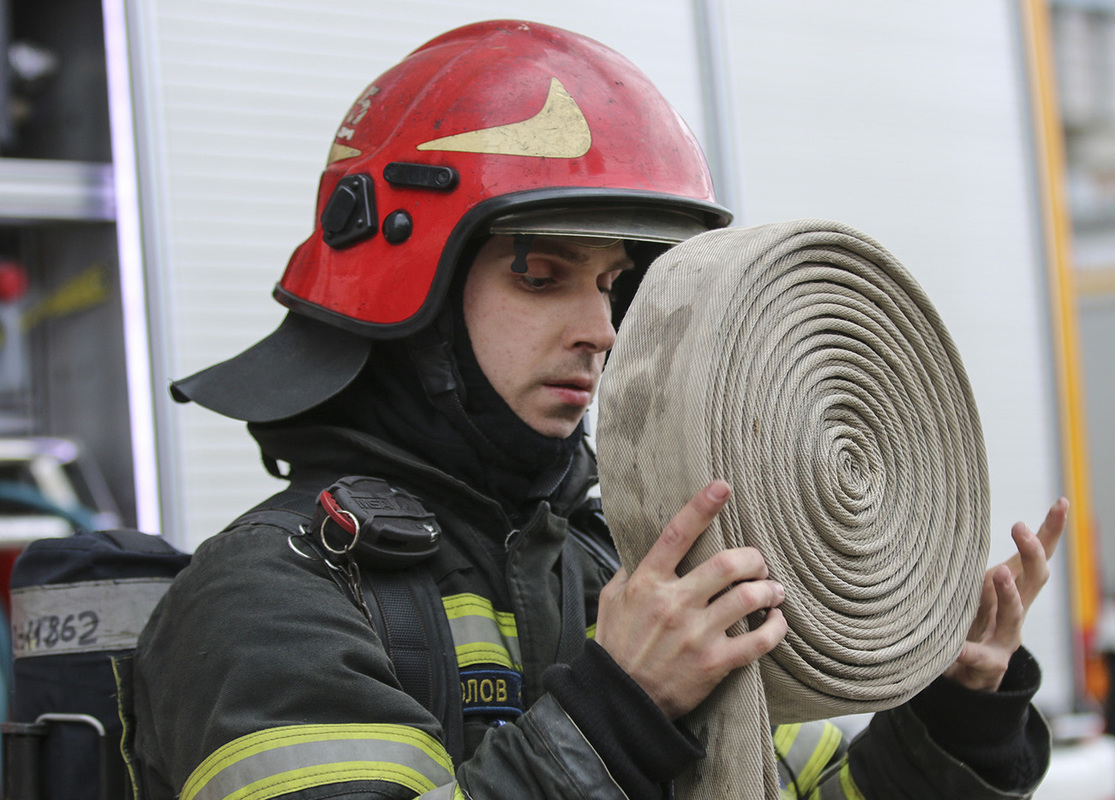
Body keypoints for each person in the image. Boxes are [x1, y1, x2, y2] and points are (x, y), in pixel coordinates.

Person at [132, 19, 1061, 800]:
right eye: (542, 274)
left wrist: (958, 712)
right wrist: (615, 712)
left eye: (615, 283)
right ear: (408, 284)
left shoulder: (619, 574)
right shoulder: (266, 599)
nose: (602, 330)